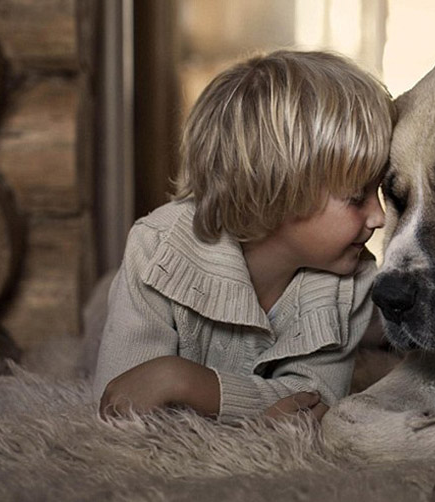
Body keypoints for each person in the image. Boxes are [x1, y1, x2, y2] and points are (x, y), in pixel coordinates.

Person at [93, 49, 393, 423]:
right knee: (98, 315)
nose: (379, 217)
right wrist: (262, 408)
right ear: (281, 189)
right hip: (129, 292)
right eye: (357, 197)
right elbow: (122, 399)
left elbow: (314, 405)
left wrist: (182, 380)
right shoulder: (156, 248)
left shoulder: (353, 280)